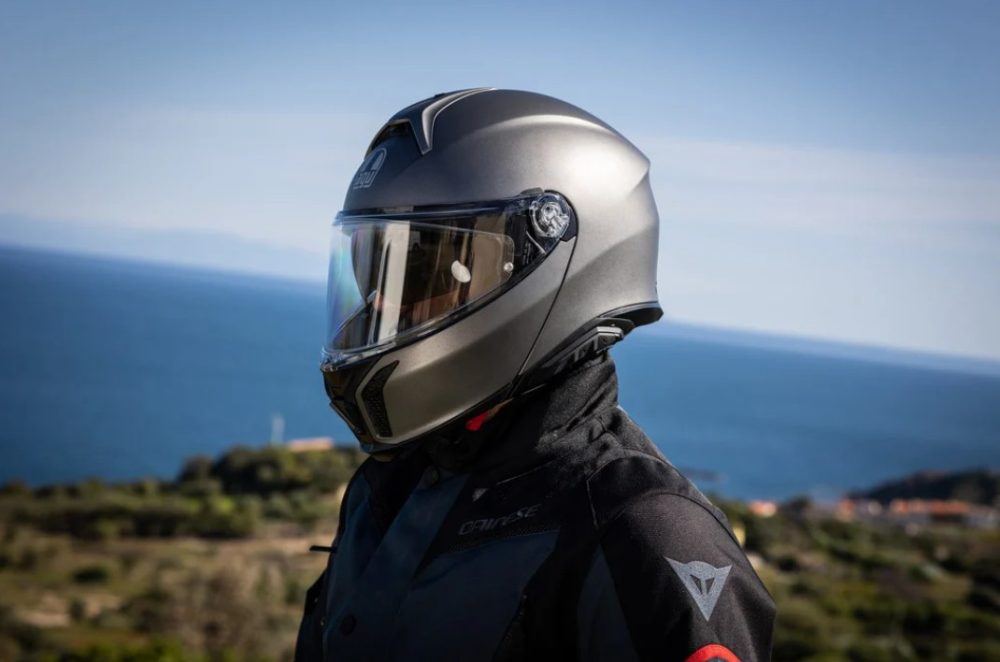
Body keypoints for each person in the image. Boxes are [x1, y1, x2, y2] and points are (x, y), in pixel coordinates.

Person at [295, 89, 775, 662]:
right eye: (376, 269)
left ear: (548, 262)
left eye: (429, 269)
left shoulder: (645, 536)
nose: (381, 307)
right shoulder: (391, 483)